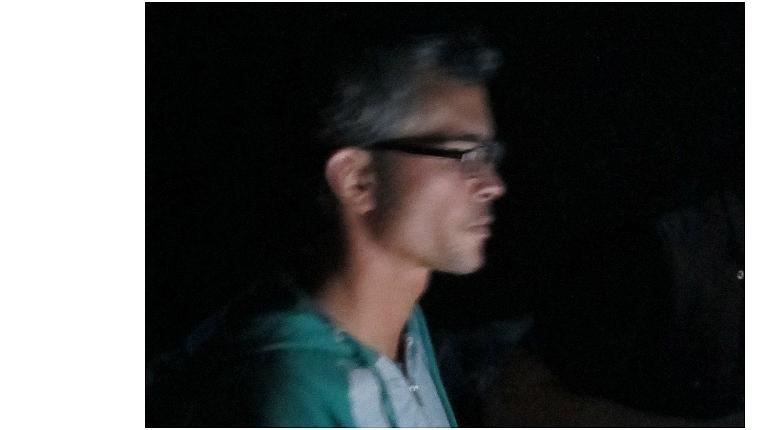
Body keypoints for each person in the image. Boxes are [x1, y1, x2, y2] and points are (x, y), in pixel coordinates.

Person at [146, 32, 506, 427]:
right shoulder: (288, 394)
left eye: (488, 155)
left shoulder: (405, 329)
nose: (493, 184)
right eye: (462, 155)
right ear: (357, 180)